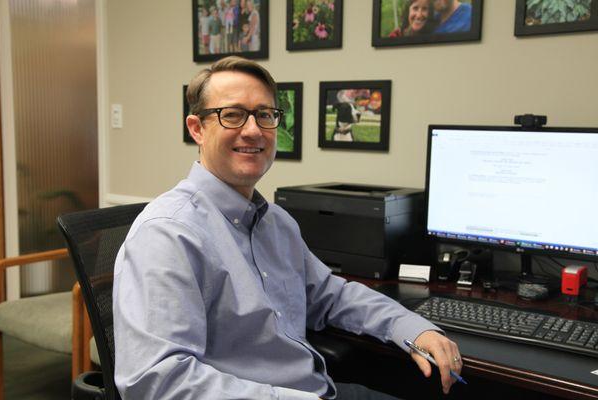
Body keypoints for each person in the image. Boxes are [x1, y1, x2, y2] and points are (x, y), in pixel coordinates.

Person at [112, 56, 463, 400]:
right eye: (232, 115)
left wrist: (412, 328)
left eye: (265, 115)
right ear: (197, 129)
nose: (253, 130)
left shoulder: (275, 222)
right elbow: (156, 382)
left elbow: (331, 294)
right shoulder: (168, 234)